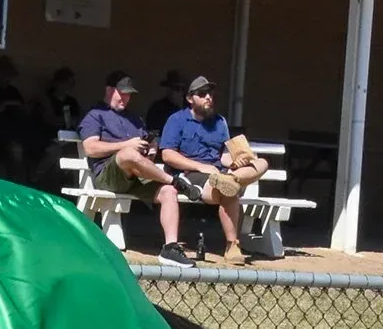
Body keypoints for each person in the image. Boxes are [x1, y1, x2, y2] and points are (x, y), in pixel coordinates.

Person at [78, 70, 207, 266]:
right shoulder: (95, 115)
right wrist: (127, 145)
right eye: (122, 93)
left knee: (168, 192)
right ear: (109, 90)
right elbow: (90, 148)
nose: (126, 98)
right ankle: (174, 180)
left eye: (129, 94)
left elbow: (145, 145)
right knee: (128, 154)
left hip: (137, 175)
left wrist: (151, 148)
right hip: (108, 175)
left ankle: (170, 248)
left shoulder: (134, 119)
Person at [158, 74, 274, 266]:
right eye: (202, 94)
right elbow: (168, 155)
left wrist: (237, 162)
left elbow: (223, 156)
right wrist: (201, 167)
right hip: (191, 175)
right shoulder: (177, 120)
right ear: (190, 98)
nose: (208, 98)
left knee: (261, 163)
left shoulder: (219, 121)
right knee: (229, 190)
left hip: (220, 173)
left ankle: (233, 179)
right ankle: (232, 245)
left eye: (210, 94)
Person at [144, 69, 184, 134]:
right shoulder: (157, 107)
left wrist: (180, 106)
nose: (178, 92)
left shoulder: (188, 106)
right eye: (174, 88)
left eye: (181, 89)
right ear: (168, 89)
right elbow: (153, 130)